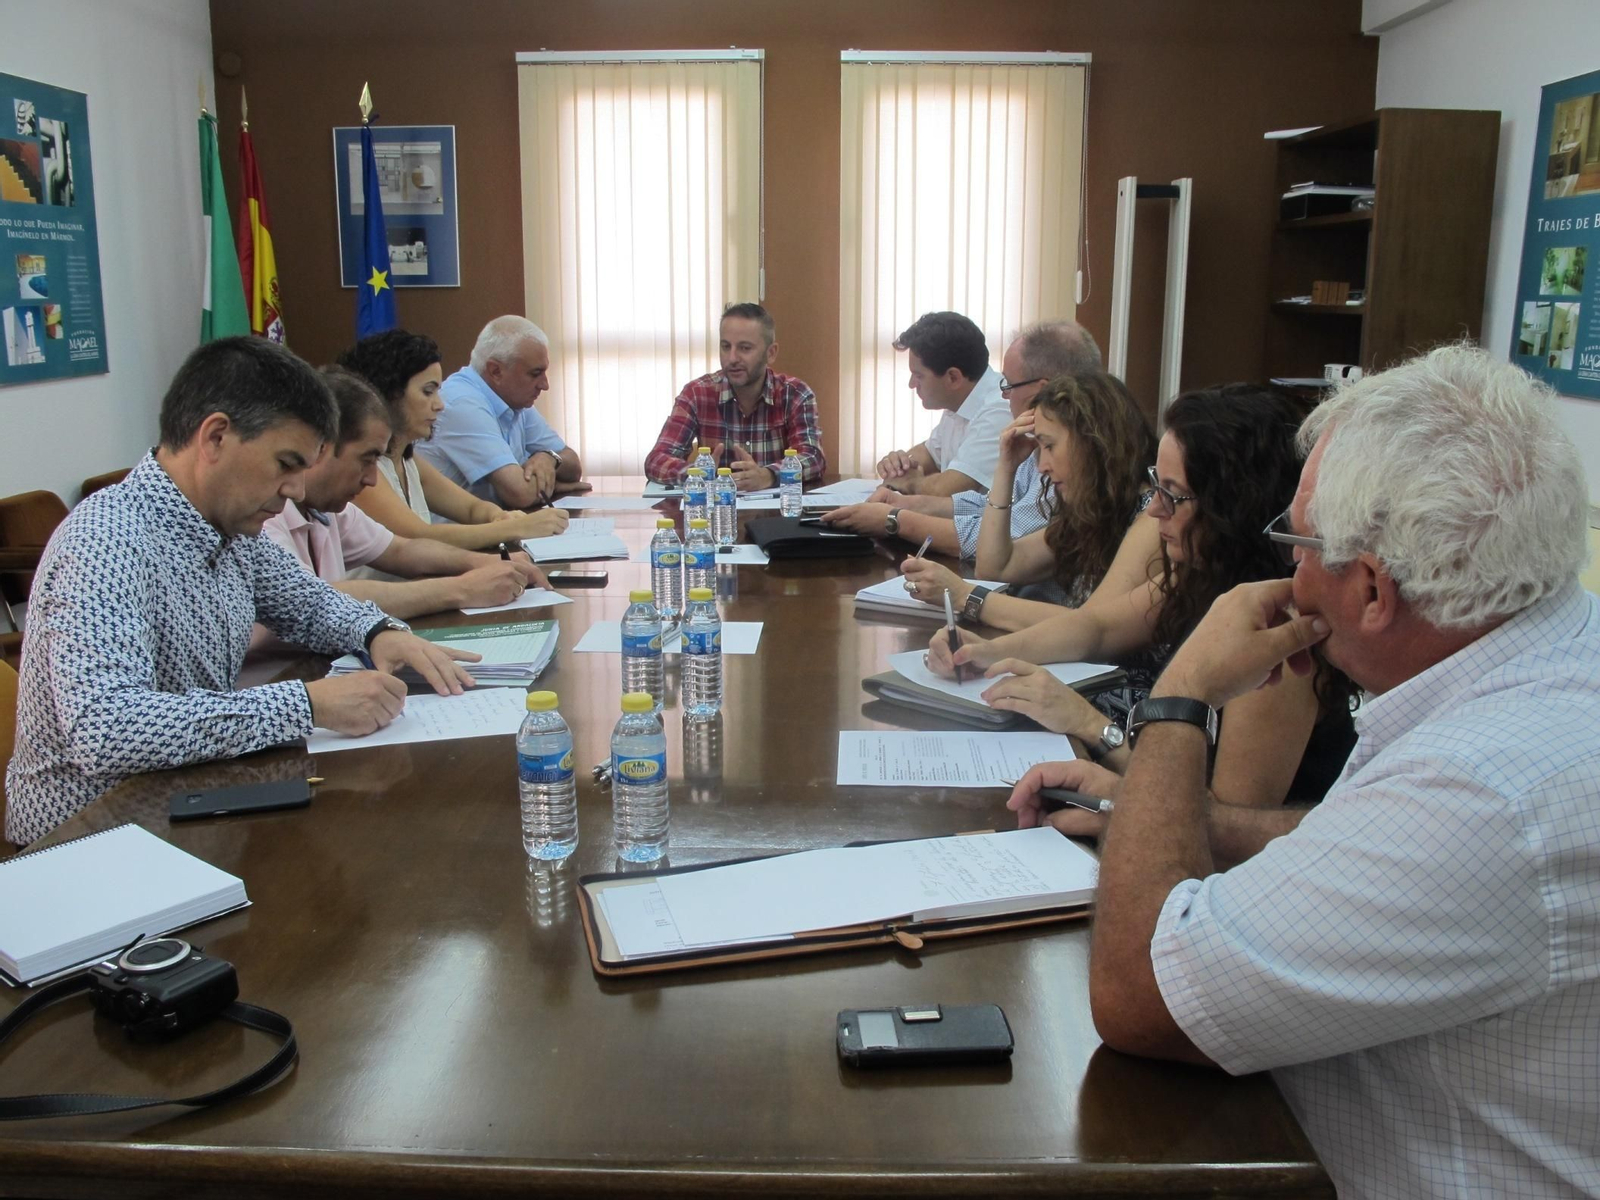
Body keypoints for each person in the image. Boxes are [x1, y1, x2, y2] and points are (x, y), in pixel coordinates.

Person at [1021, 345, 1600, 1198]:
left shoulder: (1484, 790)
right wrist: (1201, 821)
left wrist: (1181, 698)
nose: (1289, 572)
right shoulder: (1546, 655)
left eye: (1299, 542)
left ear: (1371, 587)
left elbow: (1138, 992)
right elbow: (1377, 834)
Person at [4, 338, 479, 847]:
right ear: (215, 438)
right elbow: (108, 730)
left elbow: (312, 603)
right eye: (285, 464)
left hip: (188, 797)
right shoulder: (105, 539)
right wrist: (306, 705)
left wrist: (379, 631)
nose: (296, 491)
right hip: (87, 835)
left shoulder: (230, 529)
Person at [926, 384, 1356, 808]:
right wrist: (984, 652)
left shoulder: (1281, 633)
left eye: (1172, 494)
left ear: (1231, 506)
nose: (1154, 509)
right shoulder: (1199, 573)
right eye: (1156, 485)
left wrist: (1088, 723)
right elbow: (1096, 628)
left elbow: (1226, 822)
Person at [263, 368, 548, 621]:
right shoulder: (263, 515)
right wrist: (460, 589)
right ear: (320, 449)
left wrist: (490, 563)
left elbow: (402, 550)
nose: (373, 478)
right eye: (366, 459)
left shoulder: (326, 507)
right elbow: (311, 601)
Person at [821, 321, 1107, 561]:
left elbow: (1003, 541)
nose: (1003, 393)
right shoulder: (1039, 440)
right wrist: (903, 502)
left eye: (1008, 385)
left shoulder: (1079, 454)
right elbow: (988, 506)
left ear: (1042, 392)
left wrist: (894, 519)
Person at [894, 371, 1158, 630]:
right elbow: (996, 566)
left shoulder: (1153, 516)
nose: (1042, 466)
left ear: (1094, 442)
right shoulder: (1097, 511)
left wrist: (963, 595)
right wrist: (1006, 467)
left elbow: (1093, 625)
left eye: (1050, 446)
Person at [337, 329, 568, 550]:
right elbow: (417, 537)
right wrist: (515, 528)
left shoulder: (408, 459)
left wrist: (498, 516)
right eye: (428, 392)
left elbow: (470, 508)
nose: (440, 405)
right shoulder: (362, 470)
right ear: (389, 394)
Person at [643, 302, 825, 490]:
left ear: (770, 353)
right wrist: (696, 474)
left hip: (776, 515)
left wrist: (769, 475)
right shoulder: (697, 394)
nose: (732, 358)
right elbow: (656, 460)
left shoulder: (795, 394)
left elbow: (813, 457)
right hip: (716, 513)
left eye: (744, 348)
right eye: (725, 346)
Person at [415, 315, 585, 509]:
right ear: (495, 371)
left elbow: (573, 467)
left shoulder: (515, 400)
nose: (545, 385)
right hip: (454, 535)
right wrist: (553, 485)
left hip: (495, 527)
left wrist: (549, 458)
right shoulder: (461, 403)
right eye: (535, 374)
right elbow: (519, 494)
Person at [873, 311, 1009, 497]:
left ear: (953, 377)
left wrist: (908, 482)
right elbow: (929, 453)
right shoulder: (960, 400)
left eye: (919, 375)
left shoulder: (1001, 408)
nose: (912, 384)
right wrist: (900, 463)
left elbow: (948, 489)